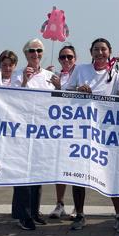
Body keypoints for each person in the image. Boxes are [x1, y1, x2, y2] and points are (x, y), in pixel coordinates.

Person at [65, 38, 119, 231]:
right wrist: (79, 89)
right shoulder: (81, 70)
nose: (100, 53)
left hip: (107, 132)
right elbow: (66, 92)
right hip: (82, 130)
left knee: (112, 173)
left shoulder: (116, 72)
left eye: (103, 49)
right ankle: (79, 214)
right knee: (79, 173)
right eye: (96, 49)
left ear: (109, 52)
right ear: (91, 52)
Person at [10, 39, 56, 230]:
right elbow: (10, 100)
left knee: (38, 172)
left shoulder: (50, 75)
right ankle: (23, 214)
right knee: (23, 173)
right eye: (31, 51)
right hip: (23, 130)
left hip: (43, 131)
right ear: (25, 53)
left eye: (38, 51)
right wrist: (24, 82)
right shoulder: (17, 75)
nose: (35, 54)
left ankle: (34, 211)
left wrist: (60, 85)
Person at [48, 44, 77, 220]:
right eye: (63, 57)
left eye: (69, 57)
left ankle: (77, 206)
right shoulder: (52, 75)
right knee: (59, 168)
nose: (66, 60)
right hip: (58, 128)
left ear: (75, 59)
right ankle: (60, 203)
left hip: (76, 127)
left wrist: (60, 88)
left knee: (76, 168)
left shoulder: (80, 74)